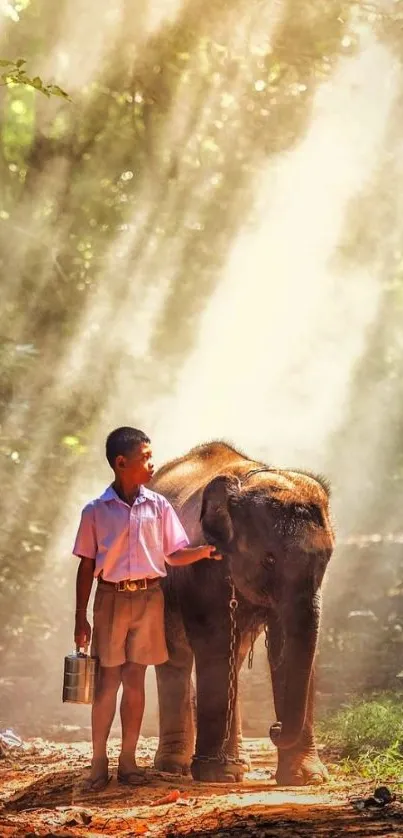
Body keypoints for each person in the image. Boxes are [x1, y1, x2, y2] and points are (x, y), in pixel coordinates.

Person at [73, 426, 221, 791]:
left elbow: (172, 553)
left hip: (149, 598)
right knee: (108, 682)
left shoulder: (158, 506)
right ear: (121, 463)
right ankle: (98, 761)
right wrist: (80, 616)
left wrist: (203, 552)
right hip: (109, 599)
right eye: (145, 458)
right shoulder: (96, 511)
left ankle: (127, 759)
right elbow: (87, 566)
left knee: (135, 680)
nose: (151, 465)